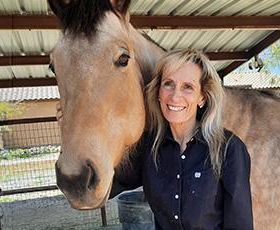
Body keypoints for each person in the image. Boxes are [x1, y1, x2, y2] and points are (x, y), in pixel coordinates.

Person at [57, 49, 253, 229]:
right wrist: (73, 130)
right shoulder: (148, 148)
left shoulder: (228, 148)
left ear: (202, 97)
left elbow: (240, 224)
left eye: (188, 87)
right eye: (168, 84)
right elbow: (93, 188)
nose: (175, 96)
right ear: (158, 91)